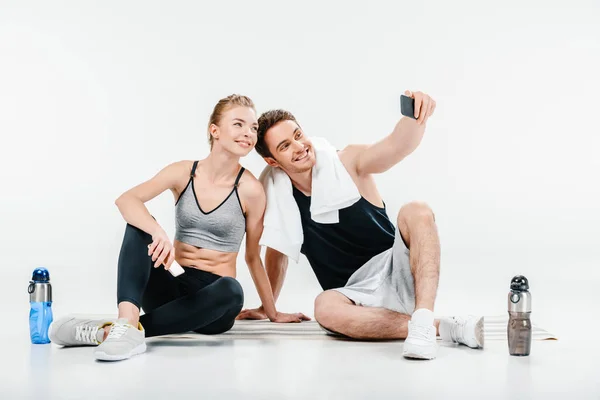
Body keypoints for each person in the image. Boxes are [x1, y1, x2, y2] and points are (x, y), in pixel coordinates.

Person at [49, 94, 309, 361]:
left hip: (212, 301)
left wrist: (272, 311)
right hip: (169, 286)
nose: (248, 133)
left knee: (232, 290)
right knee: (139, 227)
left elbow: (253, 257)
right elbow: (126, 199)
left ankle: (117, 332)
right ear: (215, 130)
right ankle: (126, 322)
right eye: (239, 124)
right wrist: (158, 232)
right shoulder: (183, 172)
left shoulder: (251, 190)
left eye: (253, 128)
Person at [237, 90, 483, 360]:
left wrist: (415, 115)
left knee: (418, 210)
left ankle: (423, 316)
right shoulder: (278, 198)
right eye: (284, 146)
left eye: (298, 135)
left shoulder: (347, 161)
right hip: (352, 295)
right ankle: (438, 327)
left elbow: (395, 146)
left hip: (397, 267)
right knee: (324, 308)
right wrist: (267, 305)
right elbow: (278, 252)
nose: (299, 147)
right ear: (272, 161)